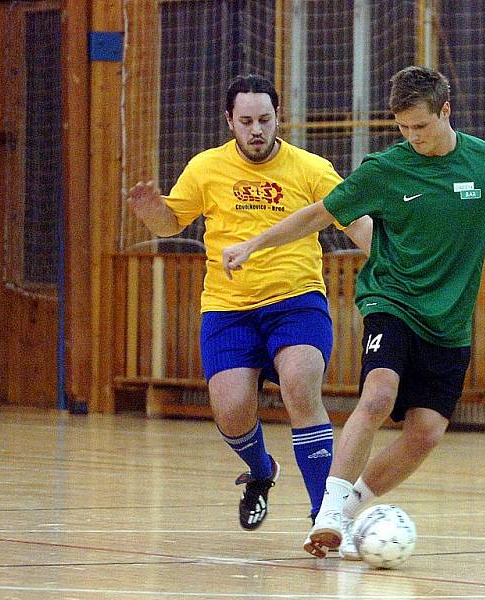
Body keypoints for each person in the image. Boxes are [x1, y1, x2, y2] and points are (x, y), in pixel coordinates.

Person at [221, 66, 485, 558]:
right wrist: (255, 244)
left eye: (421, 127)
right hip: (390, 300)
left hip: (448, 321)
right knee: (376, 397)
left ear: (445, 111)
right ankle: (327, 511)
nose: (412, 137)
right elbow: (320, 213)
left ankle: (350, 515)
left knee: (426, 433)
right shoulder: (386, 170)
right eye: (403, 128)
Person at [126, 74, 372, 532]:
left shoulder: (311, 169)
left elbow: (355, 220)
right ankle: (261, 470)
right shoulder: (205, 168)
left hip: (296, 300)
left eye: (264, 119)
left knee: (300, 385)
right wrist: (151, 211)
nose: (256, 129)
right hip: (228, 307)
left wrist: (392, 258)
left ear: (279, 117)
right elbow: (169, 224)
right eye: (246, 121)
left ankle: (325, 514)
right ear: (229, 121)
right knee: (232, 409)